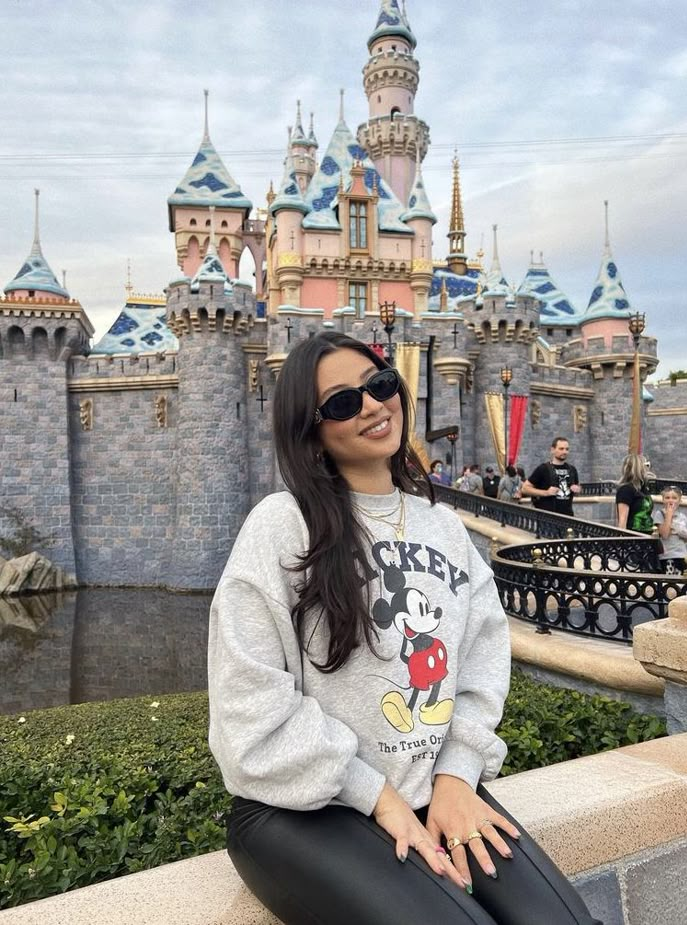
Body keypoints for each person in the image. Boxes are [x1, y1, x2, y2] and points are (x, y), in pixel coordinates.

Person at [209, 332, 600, 925]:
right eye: (342, 403)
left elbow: (480, 665)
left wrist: (456, 776)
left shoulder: (444, 528)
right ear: (310, 430)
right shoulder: (282, 527)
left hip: (430, 788)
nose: (371, 406)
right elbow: (250, 704)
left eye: (380, 385)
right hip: (306, 805)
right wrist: (379, 797)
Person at [522, 438, 581, 516]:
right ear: (553, 450)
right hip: (547, 518)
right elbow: (525, 489)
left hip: (568, 517)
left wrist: (577, 489)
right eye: (561, 449)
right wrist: (546, 493)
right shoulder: (543, 469)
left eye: (567, 449)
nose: (564, 452)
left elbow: (578, 488)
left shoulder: (572, 469)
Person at [653, 485, 687, 573]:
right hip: (667, 555)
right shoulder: (660, 514)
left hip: (681, 555)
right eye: (667, 498)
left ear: (679, 501)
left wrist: (680, 532)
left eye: (674, 498)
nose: (670, 500)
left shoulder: (682, 517)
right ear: (663, 500)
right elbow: (664, 534)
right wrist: (669, 515)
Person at [615, 453, 654, 534]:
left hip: (647, 536)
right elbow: (622, 521)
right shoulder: (625, 490)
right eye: (646, 466)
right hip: (634, 536)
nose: (648, 469)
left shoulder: (643, 489)